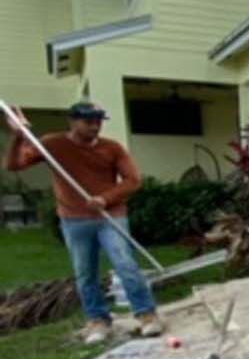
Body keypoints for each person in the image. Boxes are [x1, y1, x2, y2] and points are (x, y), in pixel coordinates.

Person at [4, 102, 163, 344]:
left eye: (98, 121)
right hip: (74, 220)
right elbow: (14, 165)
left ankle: (147, 315)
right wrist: (18, 137)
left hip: (111, 217)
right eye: (89, 121)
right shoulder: (52, 144)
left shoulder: (112, 148)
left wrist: (105, 198)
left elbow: (133, 180)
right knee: (85, 273)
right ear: (72, 121)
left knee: (125, 264)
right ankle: (98, 320)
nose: (95, 126)